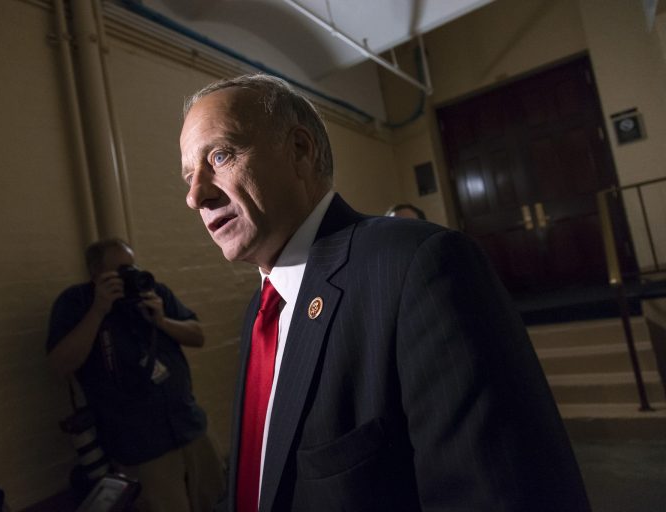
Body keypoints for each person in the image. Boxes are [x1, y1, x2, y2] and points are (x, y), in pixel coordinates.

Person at [179, 74, 590, 511]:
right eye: (188, 176)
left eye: (220, 156)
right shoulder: (261, 312)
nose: (195, 196)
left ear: (300, 150)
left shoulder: (420, 266)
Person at [46, 238, 225, 512]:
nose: (130, 274)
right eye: (121, 270)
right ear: (96, 274)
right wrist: (99, 310)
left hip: (189, 425)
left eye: (132, 266)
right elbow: (60, 365)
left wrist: (162, 321)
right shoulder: (78, 302)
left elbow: (198, 336)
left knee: (219, 499)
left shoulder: (152, 292)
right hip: (141, 444)